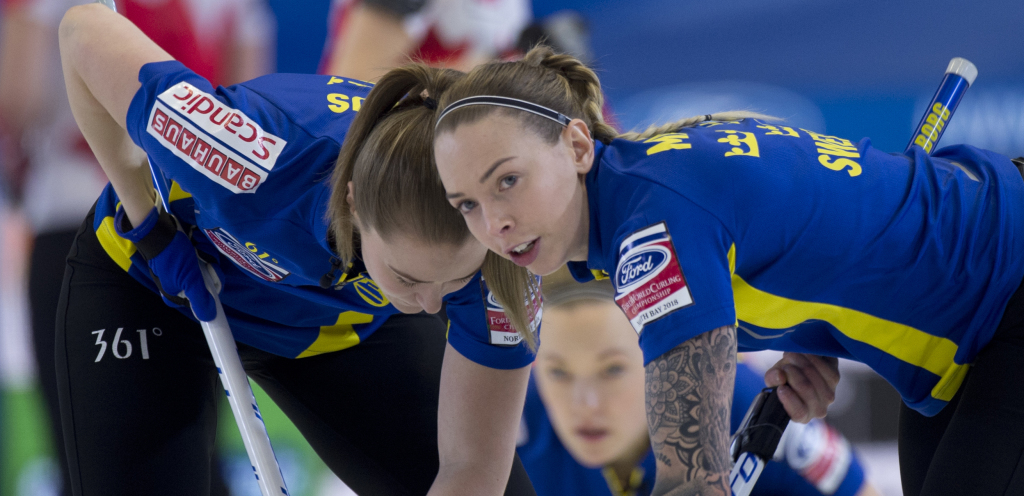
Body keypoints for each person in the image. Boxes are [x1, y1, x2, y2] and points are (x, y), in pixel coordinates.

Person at [365, 44, 1024, 496]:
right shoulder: (647, 187)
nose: (493, 224)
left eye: (508, 180)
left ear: (576, 145)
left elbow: (692, 478)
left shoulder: (651, 228)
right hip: (964, 346)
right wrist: (816, 328)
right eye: (468, 205)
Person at [56, 4, 539, 494]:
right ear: (353, 206)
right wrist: (149, 226)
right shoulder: (243, 156)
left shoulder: (502, 254)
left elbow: (473, 467)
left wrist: (427, 282)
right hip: (153, 286)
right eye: (411, 277)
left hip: (337, 324)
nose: (434, 306)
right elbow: (84, 31)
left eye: (453, 281)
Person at [0, 0, 272, 493]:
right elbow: (249, 117)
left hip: (76, 226)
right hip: (189, 236)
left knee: (86, 454)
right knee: (195, 447)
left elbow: (17, 103)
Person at [518, 277, 881, 496]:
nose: (586, 404)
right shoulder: (511, 420)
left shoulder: (736, 400)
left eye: (612, 370)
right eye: (558, 373)